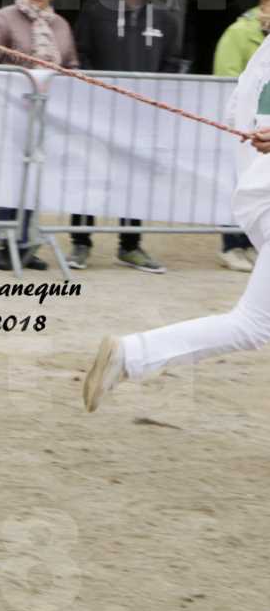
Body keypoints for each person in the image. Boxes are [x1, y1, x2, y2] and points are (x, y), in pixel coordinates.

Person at [83, 29, 270, 411]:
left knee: (253, 323)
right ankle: (132, 354)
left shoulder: (263, 53)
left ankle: (132, 354)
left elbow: (239, 114)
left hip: (259, 190)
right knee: (252, 323)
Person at [69, 0, 185, 273]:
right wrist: (96, 91)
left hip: (142, 118)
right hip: (100, 113)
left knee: (135, 180)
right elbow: (82, 55)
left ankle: (130, 246)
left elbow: (172, 64)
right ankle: (80, 243)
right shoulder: (95, 11)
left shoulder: (165, 18)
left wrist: (157, 98)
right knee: (89, 176)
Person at [0, 0, 78, 271]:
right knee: (8, 178)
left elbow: (71, 63)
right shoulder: (2, 19)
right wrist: (16, 82)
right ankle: (3, 243)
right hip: (9, 112)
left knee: (33, 179)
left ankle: (25, 242)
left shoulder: (60, 25)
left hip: (47, 117)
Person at [211, 0, 270, 271]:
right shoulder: (247, 37)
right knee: (242, 187)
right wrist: (239, 124)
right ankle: (236, 245)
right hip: (251, 138)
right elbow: (239, 87)